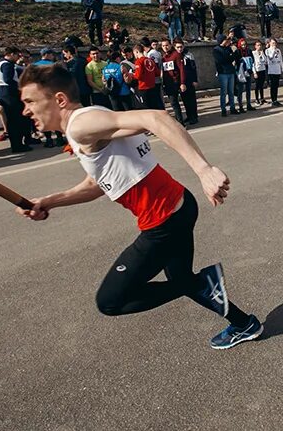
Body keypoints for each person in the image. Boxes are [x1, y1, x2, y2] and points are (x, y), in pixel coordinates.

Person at [16, 63, 262, 349]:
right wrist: (48, 202)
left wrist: (203, 169)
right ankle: (245, 324)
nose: (25, 111)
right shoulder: (87, 126)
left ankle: (202, 285)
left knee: (110, 301)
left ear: (59, 100)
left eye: (30, 101)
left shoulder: (81, 125)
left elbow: (155, 118)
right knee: (181, 279)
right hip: (178, 207)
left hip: (163, 222)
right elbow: (95, 185)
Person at [0, 47, 34, 153]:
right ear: (11, 54)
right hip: (10, 94)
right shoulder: (8, 65)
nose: (17, 58)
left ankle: (17, 143)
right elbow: (8, 79)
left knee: (12, 120)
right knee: (16, 120)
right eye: (17, 55)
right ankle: (17, 145)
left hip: (3, 92)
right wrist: (19, 87)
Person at [31, 48, 67, 146]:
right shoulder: (54, 65)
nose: (53, 56)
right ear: (47, 54)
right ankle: (59, 138)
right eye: (52, 54)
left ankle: (49, 140)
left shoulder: (34, 66)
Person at [160, 39, 186, 123]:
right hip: (167, 82)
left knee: (175, 103)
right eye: (163, 46)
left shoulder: (176, 55)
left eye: (167, 45)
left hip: (175, 82)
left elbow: (181, 69)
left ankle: (180, 121)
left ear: (170, 45)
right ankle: (179, 120)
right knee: (173, 103)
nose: (165, 47)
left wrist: (182, 83)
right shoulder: (163, 57)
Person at [133, 44, 164, 111]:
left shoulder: (138, 61)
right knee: (154, 107)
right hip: (152, 86)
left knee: (145, 108)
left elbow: (138, 76)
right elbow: (157, 73)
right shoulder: (150, 60)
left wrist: (132, 75)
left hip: (143, 87)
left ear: (137, 52)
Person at [213, 34, 238, 117]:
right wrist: (230, 57)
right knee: (223, 92)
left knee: (231, 91)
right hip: (223, 72)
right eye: (225, 40)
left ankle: (232, 107)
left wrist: (231, 56)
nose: (227, 41)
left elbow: (234, 57)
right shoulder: (216, 50)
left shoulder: (228, 48)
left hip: (230, 71)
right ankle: (223, 109)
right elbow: (221, 60)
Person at [177, 39, 199, 125]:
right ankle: (189, 116)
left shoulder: (189, 55)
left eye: (181, 47)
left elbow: (194, 68)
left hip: (190, 81)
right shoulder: (176, 56)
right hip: (182, 82)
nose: (179, 49)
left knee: (192, 99)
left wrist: (195, 80)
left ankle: (194, 116)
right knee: (185, 100)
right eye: (177, 47)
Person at [234, 38, 256, 113]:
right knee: (240, 90)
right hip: (241, 72)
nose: (243, 46)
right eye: (242, 45)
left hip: (248, 72)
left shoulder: (249, 51)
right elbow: (236, 62)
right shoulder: (237, 51)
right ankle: (240, 106)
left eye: (245, 44)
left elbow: (252, 60)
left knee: (248, 89)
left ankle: (248, 104)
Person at [265, 37, 283, 106]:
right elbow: (270, 58)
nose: (274, 44)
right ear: (270, 43)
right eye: (273, 43)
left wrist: (282, 68)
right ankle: (273, 100)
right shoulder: (267, 50)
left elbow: (281, 59)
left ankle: (276, 99)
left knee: (276, 85)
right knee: (273, 86)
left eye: (275, 43)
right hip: (271, 70)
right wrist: (273, 50)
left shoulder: (278, 50)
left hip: (277, 69)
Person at [252, 40, 268, 105]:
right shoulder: (253, 53)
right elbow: (253, 63)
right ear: (255, 46)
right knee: (257, 86)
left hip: (262, 70)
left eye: (260, 45)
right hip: (257, 70)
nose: (259, 46)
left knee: (262, 85)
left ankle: (262, 98)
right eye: (258, 45)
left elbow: (265, 61)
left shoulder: (262, 52)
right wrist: (254, 72)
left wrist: (262, 54)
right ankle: (256, 99)